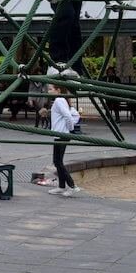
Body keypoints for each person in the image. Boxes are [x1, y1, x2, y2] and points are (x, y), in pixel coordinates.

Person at [48, 68, 83, 196]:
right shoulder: (62, 100)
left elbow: (69, 116)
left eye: (51, 89)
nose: (49, 91)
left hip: (62, 134)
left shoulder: (59, 100)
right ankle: (62, 186)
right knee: (57, 161)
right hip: (60, 134)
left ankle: (72, 186)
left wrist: (69, 128)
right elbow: (74, 114)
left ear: (58, 90)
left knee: (58, 161)